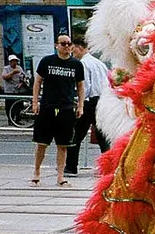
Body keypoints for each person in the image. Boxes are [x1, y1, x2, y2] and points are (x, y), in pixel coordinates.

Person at [31, 34, 84, 187]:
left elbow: (80, 86)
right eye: (63, 44)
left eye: (69, 44)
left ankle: (60, 176)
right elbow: (38, 81)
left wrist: (80, 105)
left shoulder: (76, 65)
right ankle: (36, 173)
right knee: (41, 143)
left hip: (66, 108)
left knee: (63, 144)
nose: (66, 47)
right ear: (56, 45)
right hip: (47, 106)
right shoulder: (47, 61)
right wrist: (35, 101)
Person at [65, 37, 112, 175]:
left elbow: (85, 86)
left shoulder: (83, 64)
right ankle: (108, 167)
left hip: (89, 102)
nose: (73, 54)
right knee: (102, 136)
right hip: (101, 100)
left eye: (74, 50)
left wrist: (80, 103)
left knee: (76, 135)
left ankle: (71, 166)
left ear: (80, 48)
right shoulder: (100, 63)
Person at [0, 54, 29, 125]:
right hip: (10, 90)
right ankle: (10, 120)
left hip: (19, 90)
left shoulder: (19, 68)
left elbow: (24, 77)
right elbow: (4, 77)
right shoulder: (6, 69)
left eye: (15, 61)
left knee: (19, 106)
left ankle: (18, 119)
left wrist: (21, 83)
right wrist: (12, 72)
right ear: (10, 62)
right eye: (13, 61)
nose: (14, 63)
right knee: (9, 106)